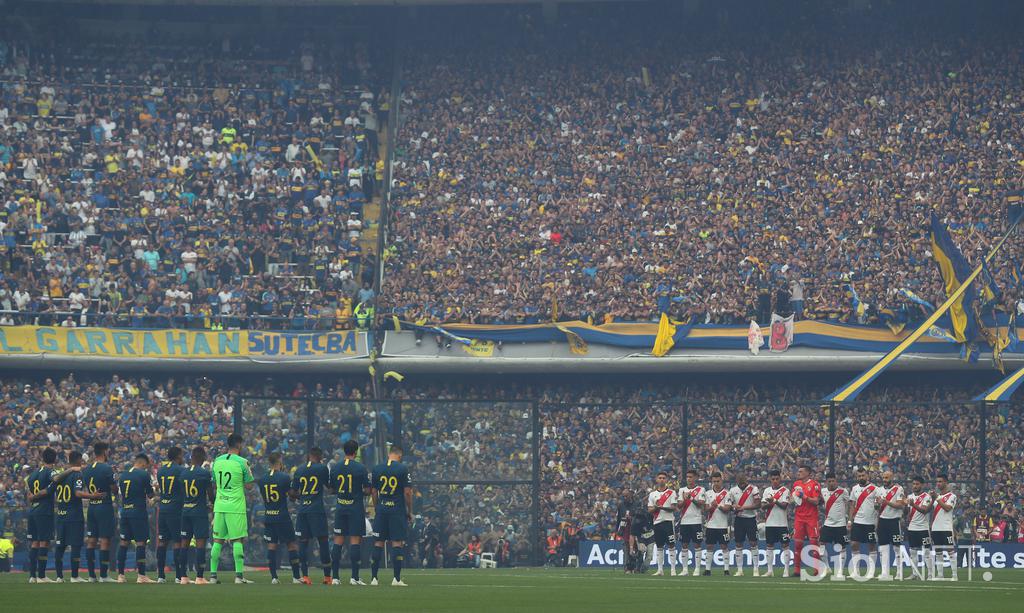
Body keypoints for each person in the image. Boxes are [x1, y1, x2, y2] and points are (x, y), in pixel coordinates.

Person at [210, 434, 255, 584]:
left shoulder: (217, 461)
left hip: (220, 505)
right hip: (235, 506)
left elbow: (215, 485)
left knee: (217, 541)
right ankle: (239, 577)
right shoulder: (243, 462)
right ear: (239, 444)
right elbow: (249, 486)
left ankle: (212, 576)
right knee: (237, 540)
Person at [50, 450, 100, 582]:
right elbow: (77, 493)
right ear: (78, 460)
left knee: (60, 546)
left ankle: (59, 577)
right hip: (73, 515)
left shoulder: (60, 474)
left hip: (61, 514)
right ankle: (74, 576)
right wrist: (92, 496)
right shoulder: (77, 474)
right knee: (76, 545)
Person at [328, 439, 370, 585]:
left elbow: (331, 489)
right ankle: (354, 577)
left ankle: (335, 577)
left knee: (338, 541)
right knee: (354, 541)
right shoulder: (360, 468)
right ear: (356, 451)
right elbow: (367, 489)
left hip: (340, 507)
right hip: (355, 508)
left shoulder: (335, 468)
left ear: (344, 451)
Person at [370, 444, 412, 587]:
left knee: (378, 543)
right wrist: (409, 510)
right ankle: (396, 579)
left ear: (389, 454)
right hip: (397, 510)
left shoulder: (377, 468)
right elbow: (407, 492)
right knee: (396, 543)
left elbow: (374, 492)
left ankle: (374, 578)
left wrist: (377, 507)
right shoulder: (402, 468)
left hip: (382, 510)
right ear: (399, 455)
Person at [258, 452, 302, 585]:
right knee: (291, 545)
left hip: (269, 516)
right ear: (279, 461)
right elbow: (292, 496)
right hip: (282, 516)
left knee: (272, 546)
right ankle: (295, 577)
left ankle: (274, 577)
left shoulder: (262, 479)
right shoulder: (284, 477)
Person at [290, 447, 332, 585]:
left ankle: (305, 576)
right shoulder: (322, 468)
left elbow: (293, 493)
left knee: (303, 543)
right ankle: (327, 577)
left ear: (309, 455)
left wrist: (301, 497)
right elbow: (329, 487)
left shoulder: (299, 469)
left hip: (303, 511)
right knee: (323, 542)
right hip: (317, 510)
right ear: (320, 457)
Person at [117, 453, 155, 583]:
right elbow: (150, 494)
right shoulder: (143, 474)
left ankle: (121, 575)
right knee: (140, 543)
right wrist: (153, 497)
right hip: (138, 512)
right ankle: (141, 575)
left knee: (123, 543)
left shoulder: (123, 475)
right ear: (143, 463)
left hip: (125, 511)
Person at [179, 446, 214, 584]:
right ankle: (199, 577)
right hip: (199, 512)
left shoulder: (183, 473)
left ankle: (183, 577)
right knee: (200, 544)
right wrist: (212, 504)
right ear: (203, 458)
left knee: (184, 544)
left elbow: (183, 494)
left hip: (185, 511)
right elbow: (210, 495)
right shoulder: (204, 473)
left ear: (191, 457)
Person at [82, 442, 117, 582]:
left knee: (91, 541)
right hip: (104, 506)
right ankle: (103, 575)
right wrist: (115, 477)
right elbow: (114, 489)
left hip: (92, 508)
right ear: (105, 452)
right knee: (104, 541)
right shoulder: (107, 468)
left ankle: (91, 576)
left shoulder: (88, 469)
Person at [155, 446, 186, 583]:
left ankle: (161, 575)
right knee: (177, 542)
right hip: (175, 509)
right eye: (182, 455)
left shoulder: (161, 471)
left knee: (162, 541)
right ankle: (178, 576)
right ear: (178, 456)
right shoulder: (181, 470)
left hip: (163, 509)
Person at [791, 464, 821, 578]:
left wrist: (804, 497)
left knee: (814, 544)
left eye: (801, 471)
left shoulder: (814, 485)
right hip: (799, 518)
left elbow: (816, 501)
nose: (798, 473)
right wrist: (792, 498)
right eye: (798, 471)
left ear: (808, 473)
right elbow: (792, 498)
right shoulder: (796, 484)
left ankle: (817, 570)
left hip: (811, 518)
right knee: (798, 544)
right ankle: (797, 570)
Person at [848, 468, 880, 578]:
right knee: (854, 545)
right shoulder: (854, 489)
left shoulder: (875, 489)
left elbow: (878, 505)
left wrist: (877, 507)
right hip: (857, 521)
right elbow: (852, 505)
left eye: (863, 475)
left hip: (870, 522)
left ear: (867, 476)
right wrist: (849, 520)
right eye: (859, 476)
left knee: (871, 546)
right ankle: (856, 572)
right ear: (857, 477)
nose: (861, 477)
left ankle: (870, 572)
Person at [645, 470, 678, 576]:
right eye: (660, 478)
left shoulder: (672, 492)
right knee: (659, 546)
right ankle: (660, 570)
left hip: (668, 522)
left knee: (671, 545)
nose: (662, 480)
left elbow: (673, 508)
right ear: (656, 479)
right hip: (657, 522)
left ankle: (673, 570)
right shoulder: (652, 494)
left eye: (664, 478)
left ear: (666, 480)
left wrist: (661, 507)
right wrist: (656, 507)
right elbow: (649, 509)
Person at [875, 470, 906, 580]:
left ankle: (899, 572)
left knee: (896, 547)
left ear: (892, 478)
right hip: (882, 521)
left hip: (894, 521)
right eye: (884, 477)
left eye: (887, 477)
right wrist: (877, 504)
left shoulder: (898, 489)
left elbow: (900, 505)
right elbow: (877, 508)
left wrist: (885, 501)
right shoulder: (879, 490)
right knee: (883, 547)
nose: (885, 480)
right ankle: (885, 572)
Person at [729, 469, 760, 577]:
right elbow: (730, 505)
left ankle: (756, 569)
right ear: (737, 481)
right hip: (739, 519)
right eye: (740, 481)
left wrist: (743, 507)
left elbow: (758, 504)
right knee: (738, 544)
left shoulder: (753, 489)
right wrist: (734, 507)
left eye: (743, 481)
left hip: (751, 519)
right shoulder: (732, 490)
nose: (742, 483)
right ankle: (740, 570)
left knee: (753, 543)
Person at [760, 469, 791, 577]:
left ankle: (786, 570)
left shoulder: (785, 490)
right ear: (770, 479)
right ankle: (770, 571)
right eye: (773, 479)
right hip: (770, 523)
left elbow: (784, 506)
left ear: (780, 479)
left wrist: (774, 501)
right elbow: (763, 506)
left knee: (785, 545)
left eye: (777, 479)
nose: (775, 481)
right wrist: (772, 502)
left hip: (782, 523)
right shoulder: (766, 490)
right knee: (769, 546)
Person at [702, 472, 733, 576]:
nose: (716, 483)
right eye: (714, 481)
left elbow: (727, 509)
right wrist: (712, 506)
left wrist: (718, 505)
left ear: (721, 480)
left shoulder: (727, 493)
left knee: (724, 546)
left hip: (722, 525)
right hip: (711, 525)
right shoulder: (708, 493)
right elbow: (706, 509)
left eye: (718, 481)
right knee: (709, 546)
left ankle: (726, 570)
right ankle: (707, 569)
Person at [820, 472, 850, 578]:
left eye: (833, 481)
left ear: (836, 481)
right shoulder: (822, 491)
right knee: (821, 545)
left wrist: (849, 519)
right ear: (826, 482)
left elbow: (850, 503)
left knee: (842, 547)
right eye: (829, 481)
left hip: (840, 525)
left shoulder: (843, 491)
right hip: (828, 524)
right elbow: (819, 503)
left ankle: (840, 571)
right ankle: (827, 568)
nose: (832, 483)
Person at [675, 469, 705, 577]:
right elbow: (678, 505)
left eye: (691, 477)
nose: (689, 479)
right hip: (684, 521)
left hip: (696, 521)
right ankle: (685, 569)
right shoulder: (682, 490)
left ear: (696, 478)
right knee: (684, 545)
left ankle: (697, 569)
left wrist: (691, 498)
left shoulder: (700, 490)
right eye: (687, 477)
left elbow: (701, 504)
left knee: (697, 545)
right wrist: (684, 500)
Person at [904, 476, 933, 580]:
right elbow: (907, 512)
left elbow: (924, 510)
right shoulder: (910, 496)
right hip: (912, 528)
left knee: (926, 552)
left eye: (917, 484)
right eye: (914, 484)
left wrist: (913, 504)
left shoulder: (927, 496)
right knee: (913, 552)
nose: (915, 486)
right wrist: (905, 506)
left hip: (923, 529)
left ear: (922, 485)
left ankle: (930, 574)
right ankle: (915, 574)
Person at [930, 474, 958, 580]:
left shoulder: (952, 496)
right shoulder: (936, 497)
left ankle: (954, 575)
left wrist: (936, 498)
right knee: (938, 551)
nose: (938, 483)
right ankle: (940, 574)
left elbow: (947, 508)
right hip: (935, 528)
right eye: (937, 481)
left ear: (946, 483)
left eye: (940, 481)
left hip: (946, 527)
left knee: (950, 550)